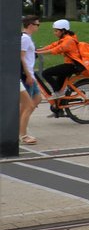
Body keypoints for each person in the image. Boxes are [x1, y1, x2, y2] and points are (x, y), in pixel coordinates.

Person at [36, 19, 84, 97]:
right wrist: (38, 50)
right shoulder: (65, 38)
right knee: (58, 83)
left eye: (56, 31)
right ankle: (59, 100)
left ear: (63, 31)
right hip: (69, 65)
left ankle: (59, 93)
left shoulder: (69, 41)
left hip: (71, 66)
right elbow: (52, 45)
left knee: (45, 73)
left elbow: (56, 49)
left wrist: (39, 53)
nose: (54, 33)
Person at [19, 15, 42, 143]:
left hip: (30, 75)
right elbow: (22, 57)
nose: (38, 27)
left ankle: (21, 125)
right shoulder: (25, 39)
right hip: (27, 76)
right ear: (31, 25)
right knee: (28, 105)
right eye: (37, 24)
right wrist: (28, 75)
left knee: (37, 99)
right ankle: (22, 133)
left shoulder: (27, 38)